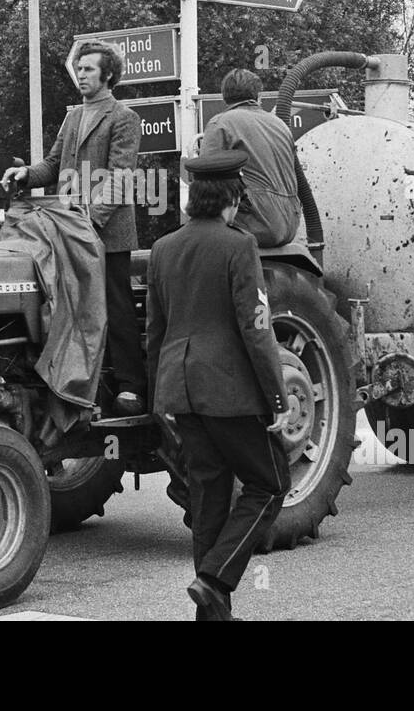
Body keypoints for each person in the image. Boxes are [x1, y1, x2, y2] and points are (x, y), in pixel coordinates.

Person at [145, 151, 293, 621]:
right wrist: (277, 396)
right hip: (228, 391)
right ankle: (214, 578)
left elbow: (155, 329)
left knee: (209, 495)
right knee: (270, 484)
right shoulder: (238, 245)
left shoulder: (164, 247)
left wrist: (158, 398)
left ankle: (212, 616)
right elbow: (256, 325)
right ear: (231, 198)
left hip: (181, 391)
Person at [1, 40, 147, 414]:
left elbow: (120, 177)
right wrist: (25, 174)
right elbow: (52, 165)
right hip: (69, 229)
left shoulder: (123, 117)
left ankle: (131, 386)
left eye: (88, 69)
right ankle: (89, 385)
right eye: (79, 69)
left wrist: (91, 219)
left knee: (115, 307)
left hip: (106, 233)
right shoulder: (72, 117)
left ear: (108, 75)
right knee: (74, 308)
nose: (80, 75)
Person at [199, 68, 301, 248]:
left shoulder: (221, 123)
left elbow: (205, 178)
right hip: (291, 224)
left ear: (224, 96)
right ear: (257, 95)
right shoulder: (279, 124)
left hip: (258, 222)